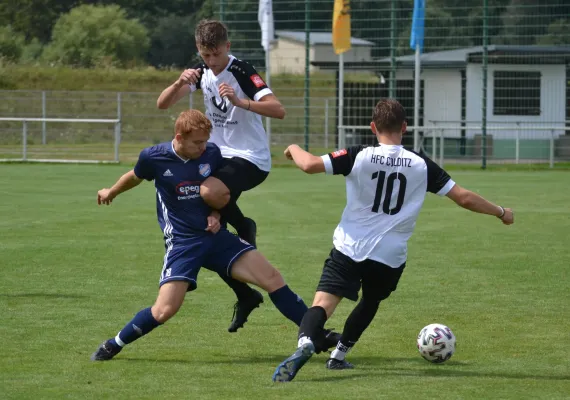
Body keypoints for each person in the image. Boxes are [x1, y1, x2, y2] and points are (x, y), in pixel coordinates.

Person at [272, 98, 515, 382]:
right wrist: (501, 212)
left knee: (323, 304)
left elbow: (310, 164)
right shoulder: (421, 164)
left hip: (350, 246)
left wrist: (293, 148)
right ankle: (338, 356)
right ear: (405, 127)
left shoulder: (359, 155)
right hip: (389, 256)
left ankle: (306, 343)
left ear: (373, 127)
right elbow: (463, 197)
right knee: (370, 301)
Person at [90, 109, 336, 361]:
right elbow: (135, 176)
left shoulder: (212, 154)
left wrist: (216, 215)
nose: (203, 147)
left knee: (272, 277)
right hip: (183, 242)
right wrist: (112, 191)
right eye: (197, 142)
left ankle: (317, 334)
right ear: (179, 137)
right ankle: (114, 343)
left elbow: (221, 193)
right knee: (165, 310)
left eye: (206, 140)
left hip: (216, 238)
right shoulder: (154, 157)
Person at [157, 19, 285, 333]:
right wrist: (177, 83)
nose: (211, 62)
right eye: (205, 55)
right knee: (206, 235)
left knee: (208, 198)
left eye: (216, 55)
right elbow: (162, 104)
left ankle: (243, 225)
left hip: (249, 159)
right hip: (215, 160)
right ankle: (245, 294)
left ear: (227, 47)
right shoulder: (199, 72)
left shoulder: (242, 71)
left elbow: (278, 109)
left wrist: (241, 102)